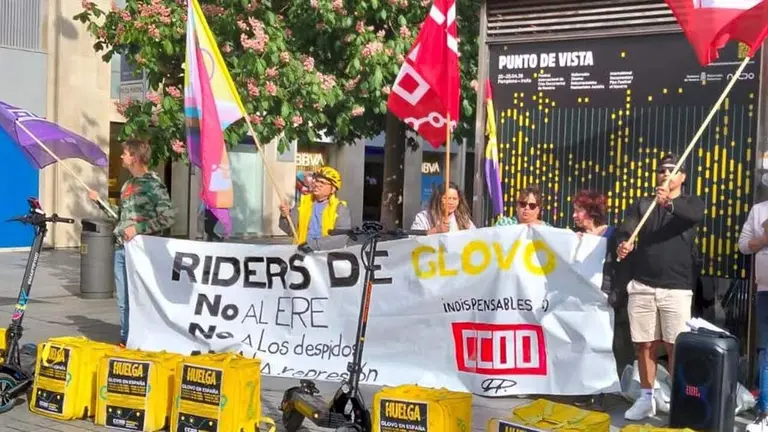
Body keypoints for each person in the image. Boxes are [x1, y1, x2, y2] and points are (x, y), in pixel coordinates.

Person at [614, 152, 704, 421]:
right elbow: (626, 229)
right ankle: (646, 397)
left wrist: (668, 205)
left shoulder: (690, 203)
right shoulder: (644, 205)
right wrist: (623, 243)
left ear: (682, 177)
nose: (666, 174)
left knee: (676, 344)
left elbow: (694, 216)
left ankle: (679, 399)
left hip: (676, 287)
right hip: (642, 284)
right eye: (662, 170)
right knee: (643, 344)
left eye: (672, 170)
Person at [87, 138, 176, 347]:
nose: (121, 156)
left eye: (125, 153)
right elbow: (121, 216)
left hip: (143, 252)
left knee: (143, 298)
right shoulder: (128, 184)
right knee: (124, 299)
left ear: (134, 157)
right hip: (122, 249)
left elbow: (168, 217)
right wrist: (99, 201)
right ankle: (126, 339)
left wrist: (138, 229)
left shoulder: (153, 184)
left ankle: (147, 338)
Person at [571, 189, 633, 409]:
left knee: (606, 345)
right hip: (584, 301)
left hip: (607, 299)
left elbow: (622, 267)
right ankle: (587, 390)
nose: (574, 216)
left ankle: (604, 392)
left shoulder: (613, 234)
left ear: (591, 212)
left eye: (578, 211)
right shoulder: (575, 236)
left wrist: (616, 295)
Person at [739, 199, 768, 431]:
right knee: (767, 352)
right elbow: (743, 246)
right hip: (765, 290)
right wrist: (765, 238)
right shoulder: (759, 210)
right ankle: (765, 412)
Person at [279, 166, 351, 250]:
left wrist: (312, 245)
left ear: (333, 189)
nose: (317, 184)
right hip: (301, 254)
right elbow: (290, 231)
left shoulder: (340, 208)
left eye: (322, 182)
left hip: (325, 257)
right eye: (316, 180)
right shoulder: (302, 203)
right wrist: (284, 216)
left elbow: (341, 238)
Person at [411, 181, 475, 233]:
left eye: (455, 199)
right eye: (447, 198)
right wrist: (435, 230)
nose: (451, 202)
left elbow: (474, 238)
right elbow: (413, 238)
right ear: (438, 199)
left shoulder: (463, 219)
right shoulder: (424, 217)